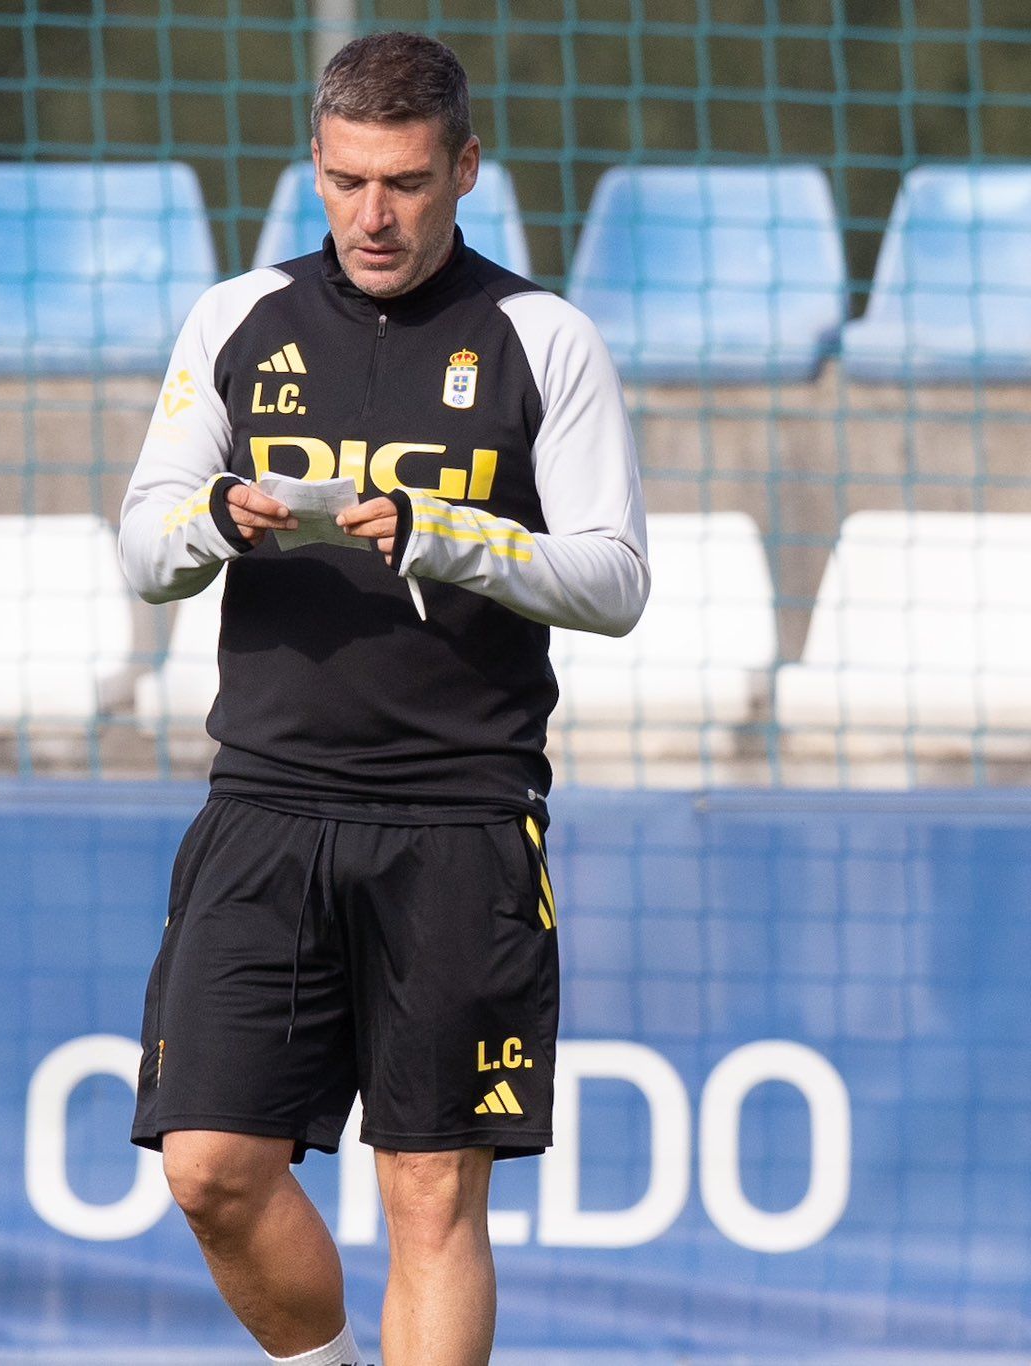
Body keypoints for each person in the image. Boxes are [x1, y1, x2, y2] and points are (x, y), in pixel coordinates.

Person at [118, 31, 649, 1366]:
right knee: (208, 1170)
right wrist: (222, 524)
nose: (374, 214)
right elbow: (141, 546)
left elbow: (617, 577)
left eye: (406, 181)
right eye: (349, 179)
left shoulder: (543, 336)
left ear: (463, 168)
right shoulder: (238, 317)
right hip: (265, 805)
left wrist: (441, 531)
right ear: (316, 164)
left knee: (428, 1195)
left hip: (458, 814)